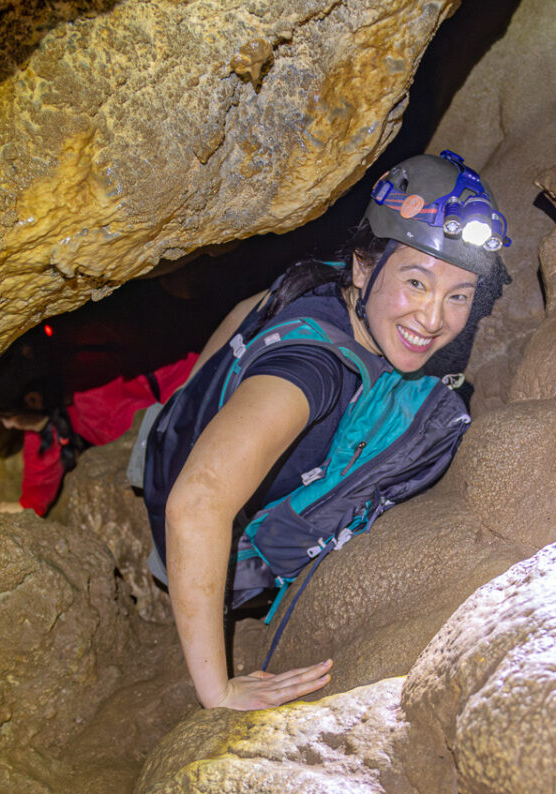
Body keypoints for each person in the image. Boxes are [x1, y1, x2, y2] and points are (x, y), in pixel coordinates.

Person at [149, 150, 510, 711]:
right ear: (365, 268)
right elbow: (195, 505)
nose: (434, 318)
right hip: (203, 550)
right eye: (416, 283)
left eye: (457, 296)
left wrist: (188, 410)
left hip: (164, 449)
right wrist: (217, 692)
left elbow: (247, 312)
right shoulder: (311, 374)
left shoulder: (318, 283)